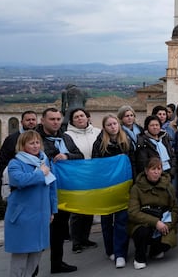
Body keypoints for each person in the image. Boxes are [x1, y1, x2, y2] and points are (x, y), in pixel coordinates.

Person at [4, 131, 57, 277]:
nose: (35, 146)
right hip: (22, 216)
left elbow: (52, 187)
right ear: (23, 145)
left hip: (41, 215)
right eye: (31, 143)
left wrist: (52, 209)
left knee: (36, 253)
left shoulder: (44, 161)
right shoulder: (15, 162)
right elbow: (18, 180)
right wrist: (40, 173)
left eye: (37, 142)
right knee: (20, 255)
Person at [38, 107, 83, 274]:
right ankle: (31, 268)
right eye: (52, 119)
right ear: (43, 120)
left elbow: (79, 155)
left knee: (59, 229)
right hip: (42, 191)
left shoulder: (65, 137)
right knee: (40, 231)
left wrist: (67, 156)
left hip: (63, 190)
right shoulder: (36, 138)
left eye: (58, 119)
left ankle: (57, 263)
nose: (56, 122)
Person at [91, 114, 135, 268]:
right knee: (106, 221)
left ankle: (120, 253)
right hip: (106, 189)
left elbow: (133, 163)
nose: (113, 127)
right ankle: (110, 250)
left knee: (122, 220)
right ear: (104, 127)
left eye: (115, 123)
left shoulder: (127, 141)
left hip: (123, 187)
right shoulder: (99, 143)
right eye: (109, 125)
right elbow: (97, 166)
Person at [128, 158, 178, 270]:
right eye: (153, 169)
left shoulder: (168, 187)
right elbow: (133, 212)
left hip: (164, 220)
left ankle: (155, 250)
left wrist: (168, 224)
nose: (156, 172)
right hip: (142, 223)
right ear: (146, 171)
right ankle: (139, 258)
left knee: (168, 241)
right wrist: (155, 222)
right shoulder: (136, 188)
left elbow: (175, 209)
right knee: (142, 232)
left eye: (159, 169)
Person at [64, 108, 101, 254]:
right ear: (72, 121)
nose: (80, 119)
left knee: (90, 208)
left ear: (87, 117)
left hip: (94, 175)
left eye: (82, 116)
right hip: (77, 176)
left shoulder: (97, 132)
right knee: (78, 210)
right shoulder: (67, 135)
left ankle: (85, 238)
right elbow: (72, 153)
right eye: (76, 117)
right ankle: (76, 241)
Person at [0, 110, 37, 187]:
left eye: (33, 120)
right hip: (17, 182)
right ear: (22, 122)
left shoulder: (41, 137)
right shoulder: (12, 139)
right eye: (28, 120)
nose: (31, 122)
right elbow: (2, 162)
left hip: (37, 181)